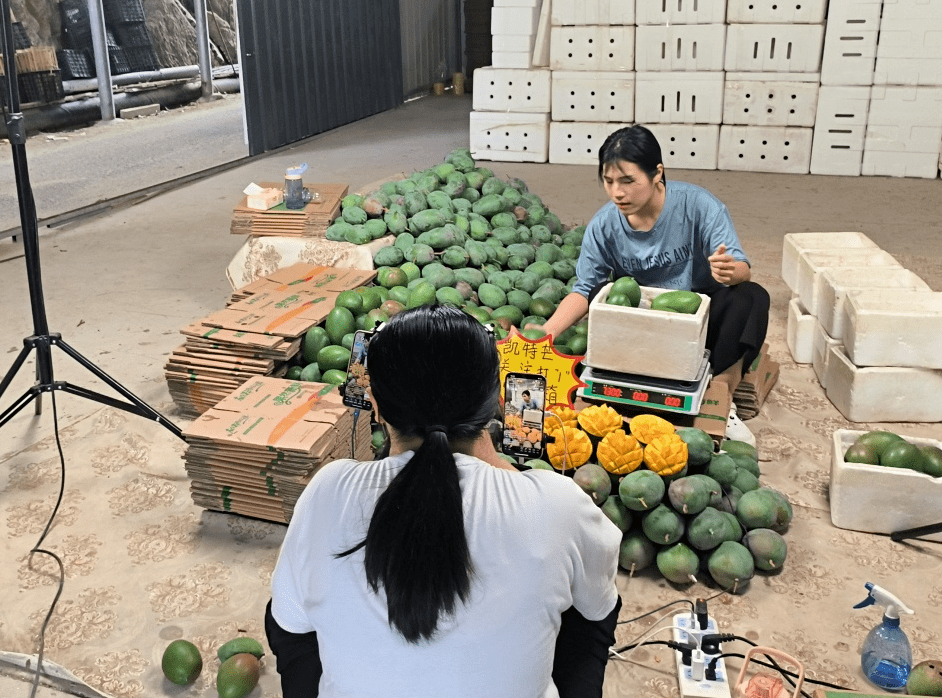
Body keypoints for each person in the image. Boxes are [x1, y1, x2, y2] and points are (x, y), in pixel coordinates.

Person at [266, 304, 622, 698]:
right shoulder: (557, 507)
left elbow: (289, 627)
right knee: (581, 608)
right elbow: (598, 611)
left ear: (377, 404)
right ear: (495, 401)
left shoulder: (328, 491)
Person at [535, 125, 769, 446]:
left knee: (751, 298)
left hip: (700, 321)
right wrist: (543, 336)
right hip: (643, 325)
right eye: (609, 181)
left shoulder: (699, 206)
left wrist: (732, 272)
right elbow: (584, 289)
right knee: (599, 299)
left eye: (628, 181)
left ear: (657, 173)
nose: (617, 192)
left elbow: (741, 266)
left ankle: (721, 396)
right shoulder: (604, 224)